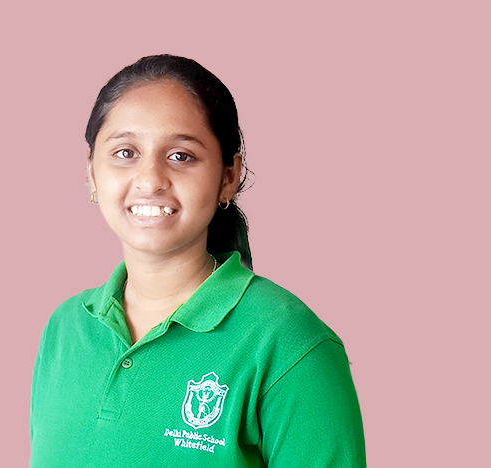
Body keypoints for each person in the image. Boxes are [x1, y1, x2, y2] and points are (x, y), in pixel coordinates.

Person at [30, 55, 366, 467]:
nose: (150, 179)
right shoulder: (65, 329)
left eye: (181, 156)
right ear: (91, 172)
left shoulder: (289, 344)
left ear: (228, 176)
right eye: (125, 152)